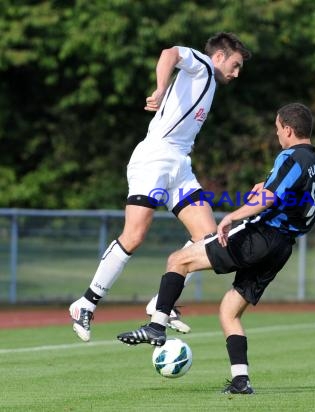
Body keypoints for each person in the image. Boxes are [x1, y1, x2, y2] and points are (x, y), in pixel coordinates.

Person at [117, 103, 315, 394]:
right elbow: (283, 191)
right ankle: (241, 380)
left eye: (278, 129)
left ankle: (156, 326)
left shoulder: (291, 156)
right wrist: (264, 185)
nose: (277, 134)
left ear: (289, 130)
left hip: (261, 235)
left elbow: (267, 197)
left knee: (178, 260)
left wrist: (233, 216)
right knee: (229, 311)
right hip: (282, 248)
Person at [69, 32, 251, 342]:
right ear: (219, 56)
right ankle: (85, 303)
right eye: (235, 65)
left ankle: (160, 302)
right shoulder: (205, 65)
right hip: (155, 157)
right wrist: (160, 88)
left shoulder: (208, 80)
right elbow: (170, 53)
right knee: (135, 235)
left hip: (179, 164)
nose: (235, 74)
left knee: (207, 240)